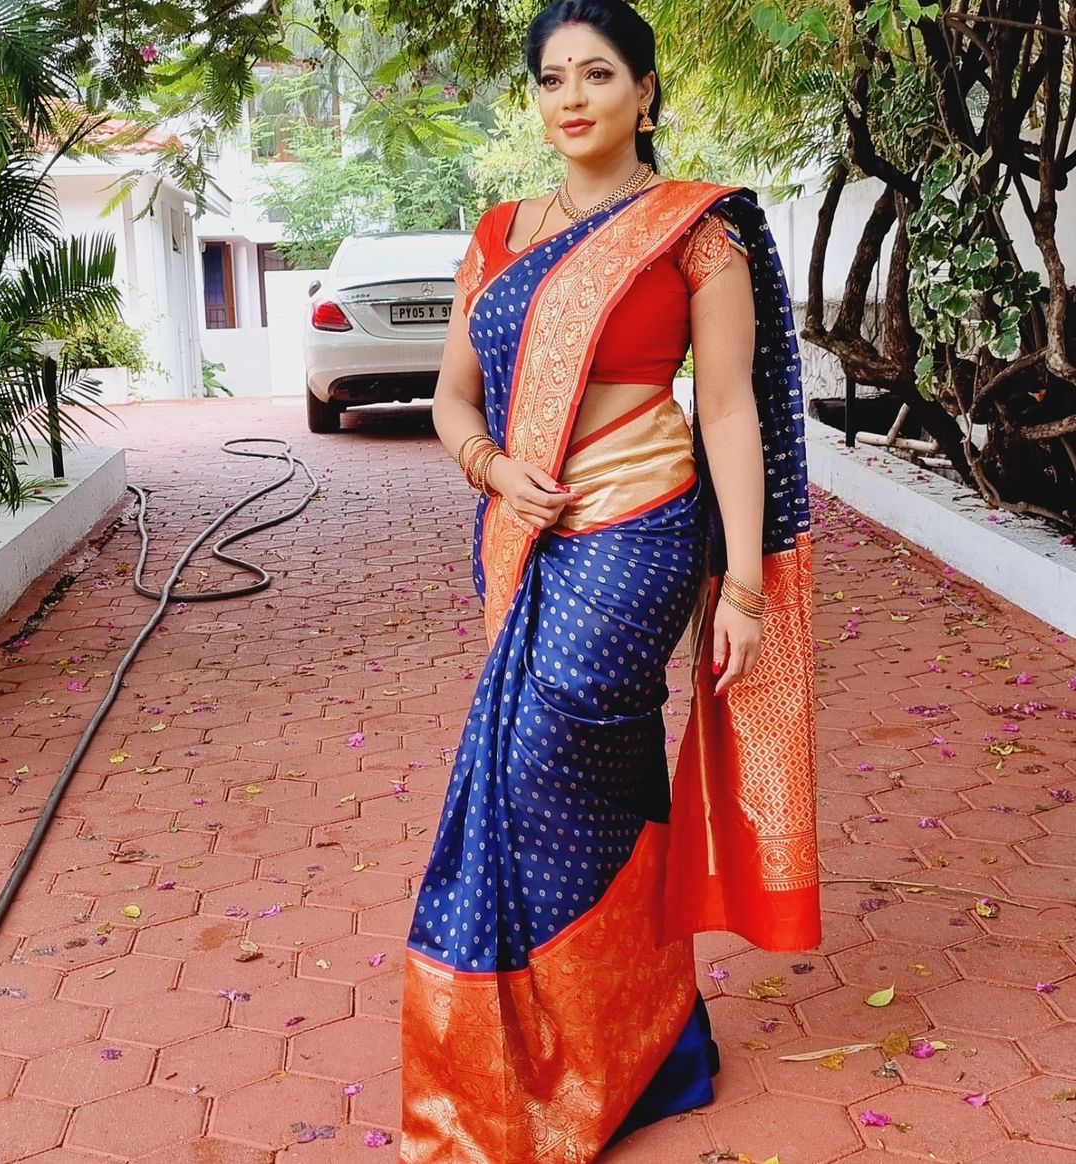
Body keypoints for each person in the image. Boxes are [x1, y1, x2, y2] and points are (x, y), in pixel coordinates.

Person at [400, 2, 819, 1159]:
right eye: (549, 79)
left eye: (596, 74)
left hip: (640, 526)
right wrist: (490, 467)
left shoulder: (695, 233)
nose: (570, 96)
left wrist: (738, 588)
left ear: (644, 90)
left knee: (542, 754)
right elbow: (452, 397)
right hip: (525, 530)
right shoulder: (496, 235)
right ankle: (646, 1041)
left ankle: (600, 1047)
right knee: (598, 771)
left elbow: (730, 413)